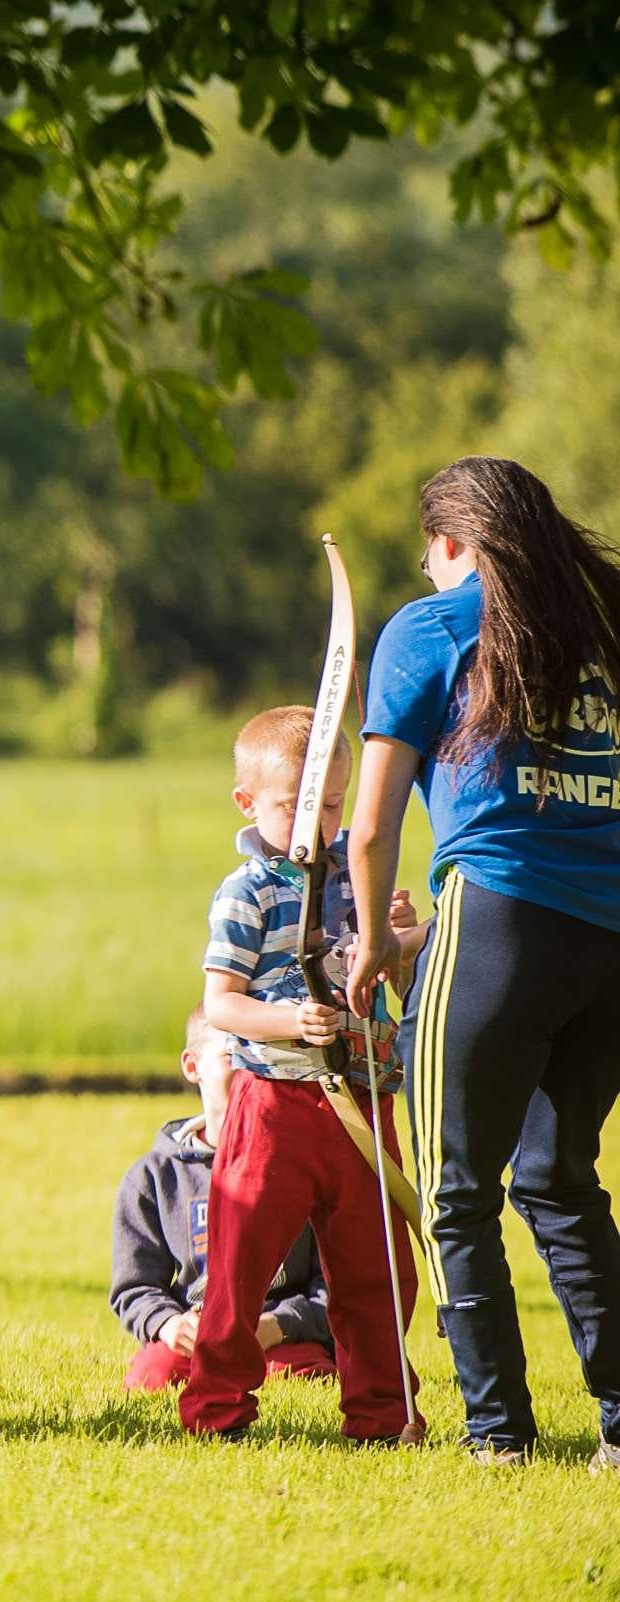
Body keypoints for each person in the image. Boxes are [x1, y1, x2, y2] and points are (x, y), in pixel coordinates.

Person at [346, 456, 620, 1473]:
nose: (425, 570)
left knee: (459, 1186)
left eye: (428, 553)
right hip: (613, 938)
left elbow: (371, 827)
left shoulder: (433, 627)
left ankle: (499, 1435)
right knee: (559, 1176)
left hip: (500, 918)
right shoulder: (605, 630)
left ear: (454, 544)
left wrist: (374, 939)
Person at [183, 707, 424, 1442]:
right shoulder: (245, 890)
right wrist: (291, 1020)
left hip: (361, 1099)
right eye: (295, 805)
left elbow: (392, 976)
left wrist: (401, 941)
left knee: (377, 1272)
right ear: (248, 802)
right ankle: (217, 1410)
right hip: (273, 1105)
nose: (314, 822)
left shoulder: (360, 868)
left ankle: (383, 1416)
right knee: (239, 1267)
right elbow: (221, 1006)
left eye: (329, 804)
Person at [112, 1009, 335, 1392]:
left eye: (260, 1053)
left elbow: (333, 1286)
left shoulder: (303, 1165)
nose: (250, 1068)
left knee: (307, 1378)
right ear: (192, 1066)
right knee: (154, 1377)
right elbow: (135, 1288)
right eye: (233, 1054)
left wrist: (276, 1326)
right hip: (196, 1336)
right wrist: (170, 1325)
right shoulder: (153, 1177)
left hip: (280, 1338)